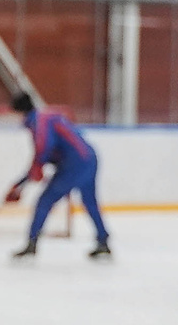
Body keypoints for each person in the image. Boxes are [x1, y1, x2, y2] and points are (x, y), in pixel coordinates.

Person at [6, 92, 112, 261]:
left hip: (74, 164)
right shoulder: (46, 116)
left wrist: (23, 182)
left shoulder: (38, 122)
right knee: (90, 201)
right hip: (89, 157)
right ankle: (103, 240)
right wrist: (22, 182)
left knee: (44, 201)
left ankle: (32, 243)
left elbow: (43, 149)